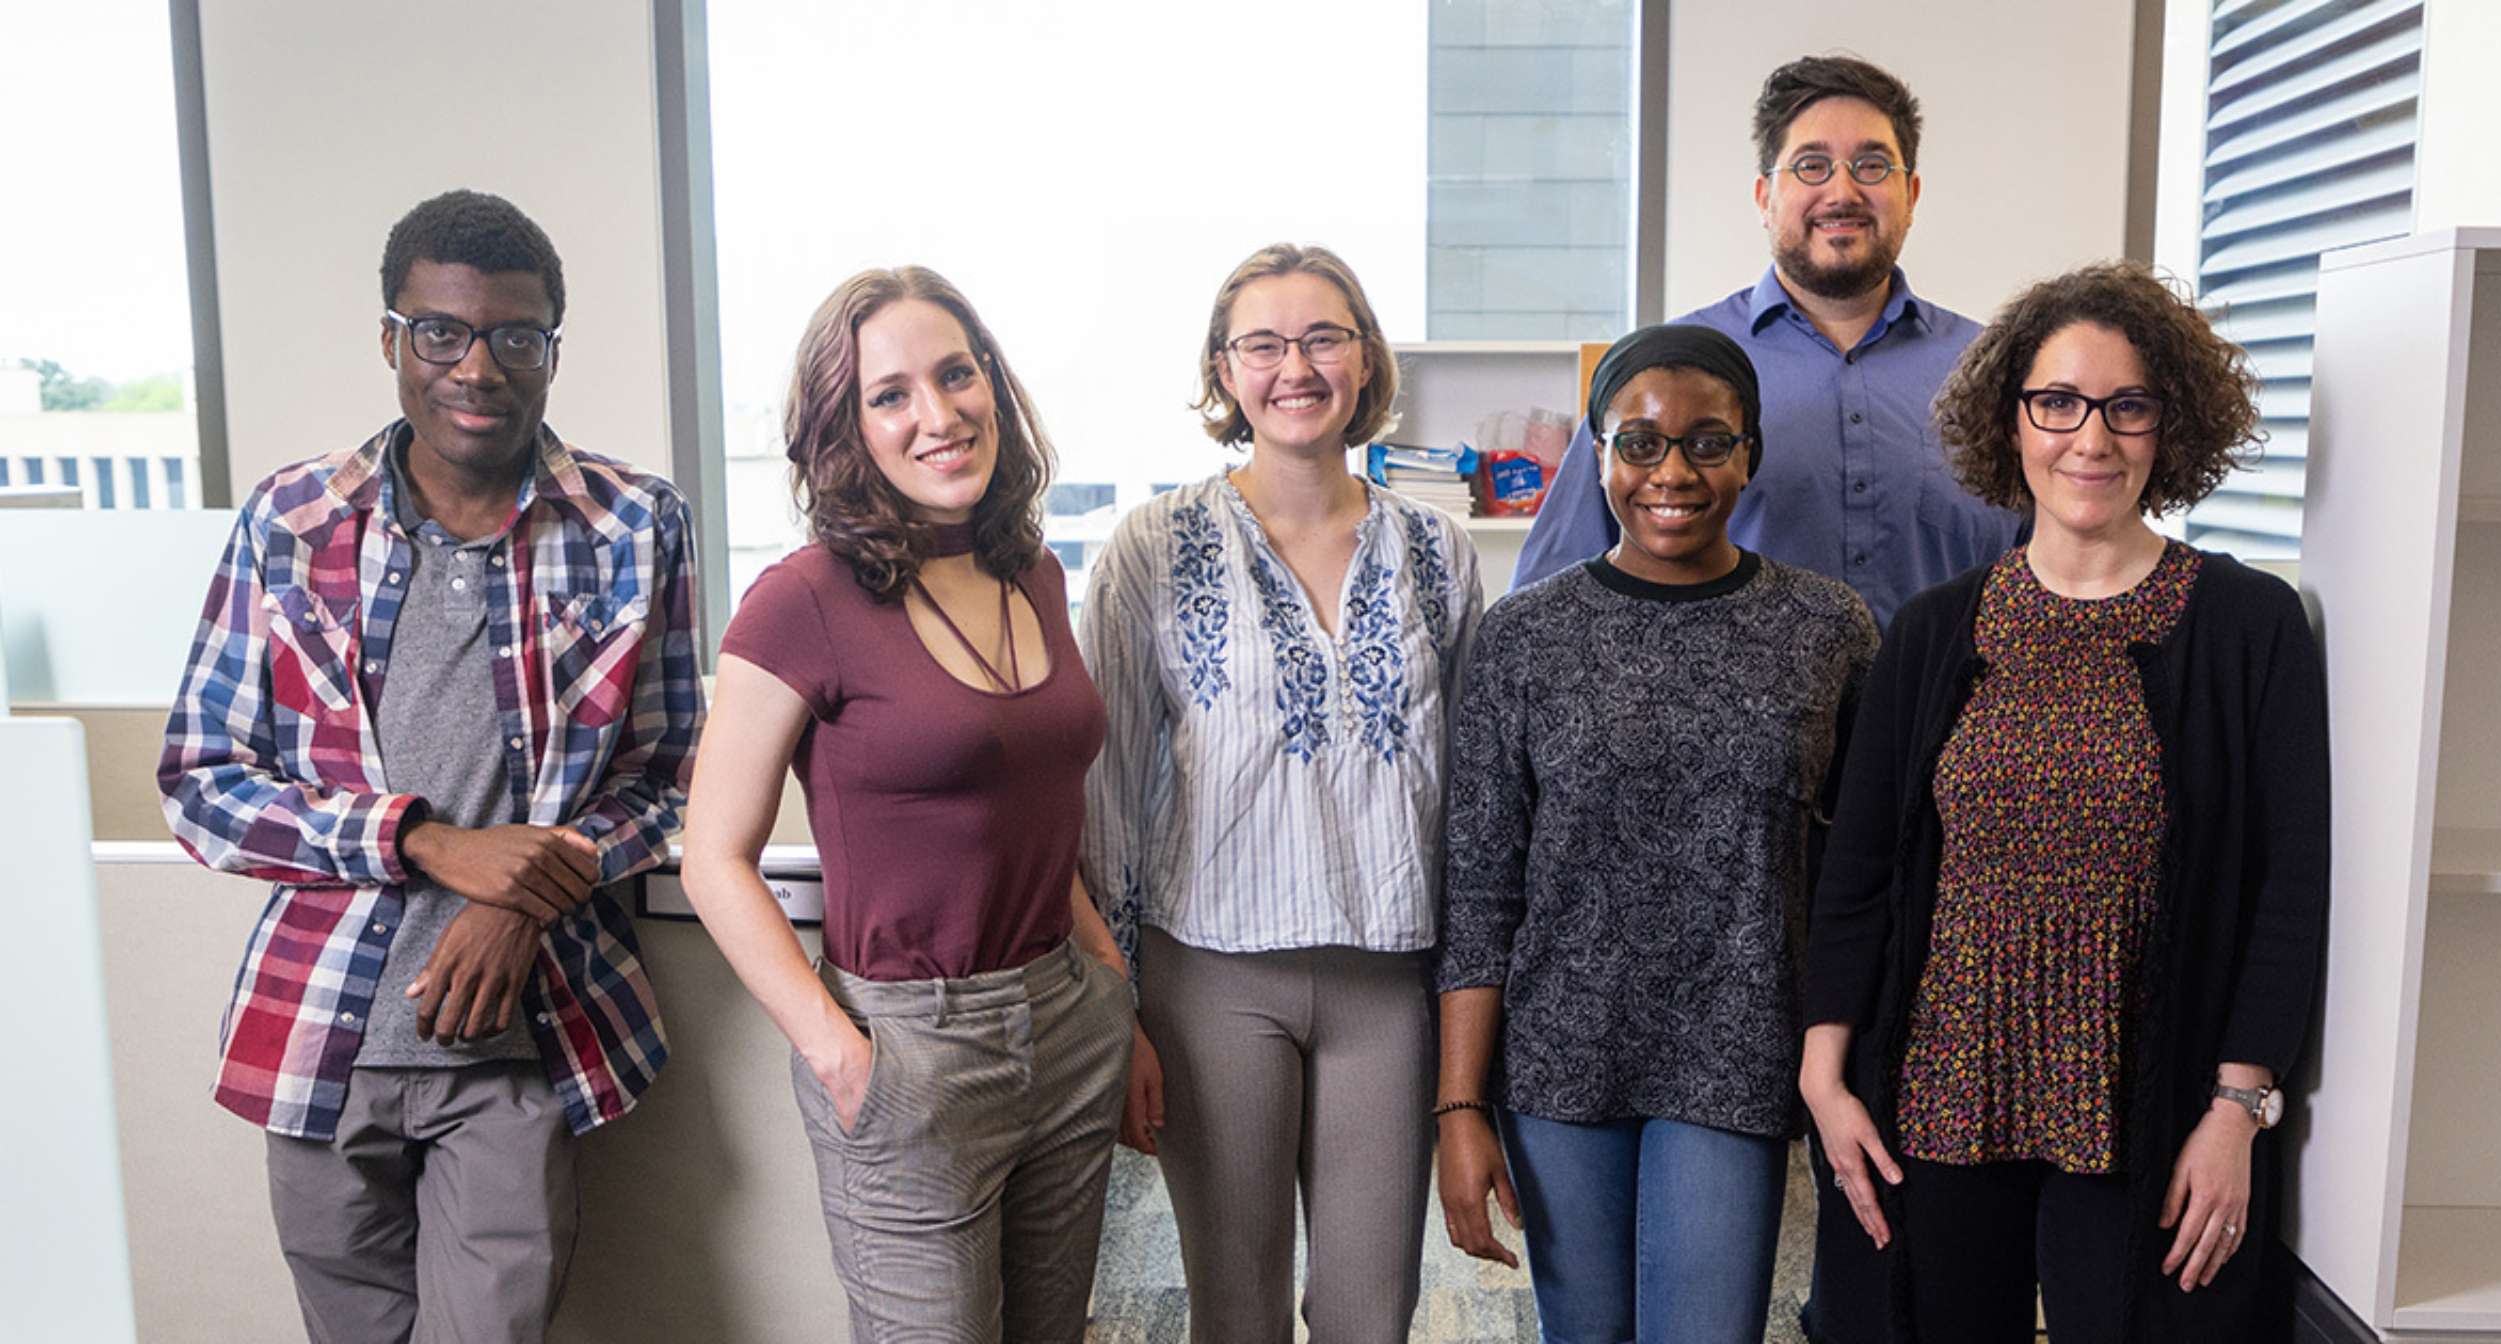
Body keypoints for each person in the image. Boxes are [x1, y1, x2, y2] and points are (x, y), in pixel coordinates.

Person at [157, 189, 702, 1341]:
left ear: (552, 347)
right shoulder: (291, 519)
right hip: (321, 1041)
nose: (478, 368)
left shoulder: (634, 525)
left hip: (520, 1044)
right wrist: (424, 840)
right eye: (441, 333)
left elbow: (672, 779)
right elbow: (201, 781)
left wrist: (527, 897)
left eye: (516, 337)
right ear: (392, 339)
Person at [1797, 260, 2330, 1344]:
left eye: (2126, 406)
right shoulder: (1933, 631)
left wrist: (2239, 1110)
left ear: (2169, 426)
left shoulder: (2248, 626)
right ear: (2011, 421)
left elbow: (2289, 886)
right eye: (2057, 403)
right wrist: (1823, 1077)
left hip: (2149, 1097)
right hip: (1940, 1089)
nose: (2090, 438)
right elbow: (1854, 872)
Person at [680, 266, 1132, 1339]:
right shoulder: (801, 601)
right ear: (846, 427)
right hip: (909, 1047)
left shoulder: (1032, 571)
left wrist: (1107, 980)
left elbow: (1032, 809)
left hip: (1067, 1019)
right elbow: (713, 857)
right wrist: (840, 1053)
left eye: (955, 375)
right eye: (891, 395)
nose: (938, 415)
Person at [1435, 325, 1877, 1342]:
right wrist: (1459, 1109)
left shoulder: (1827, 628)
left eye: (1707, 442)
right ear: (1597, 455)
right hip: (1560, 1058)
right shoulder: (1525, 636)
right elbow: (1481, 887)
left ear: (1748, 455)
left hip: (1737, 1048)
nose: (1671, 471)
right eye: (1639, 443)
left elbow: (1866, 874)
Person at [1080, 242, 1483, 1342]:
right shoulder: (1150, 548)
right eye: (1261, 343)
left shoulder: (1440, 552)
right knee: (1236, 1311)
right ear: (1222, 370)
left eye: (1321, 338)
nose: (1292, 366)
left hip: (1388, 982)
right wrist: (1119, 1016)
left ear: (1364, 361)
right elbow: (1104, 791)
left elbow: (1472, 798)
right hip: (1209, 976)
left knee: (1371, 1313)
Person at [1512, 54, 2016, 630]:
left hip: (1948, 716)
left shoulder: (1993, 374)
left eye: (1872, 165)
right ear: (1763, 197)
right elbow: (1548, 607)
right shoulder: (1665, 375)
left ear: (1912, 194)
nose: (1843, 190)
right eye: (1811, 165)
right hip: (1723, 716)